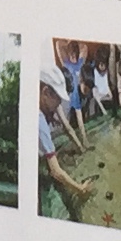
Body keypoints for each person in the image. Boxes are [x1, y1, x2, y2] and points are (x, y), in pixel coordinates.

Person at [36, 80, 96, 212]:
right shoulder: (39, 122)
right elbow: (56, 171)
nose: (59, 105)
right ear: (46, 92)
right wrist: (80, 188)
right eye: (58, 100)